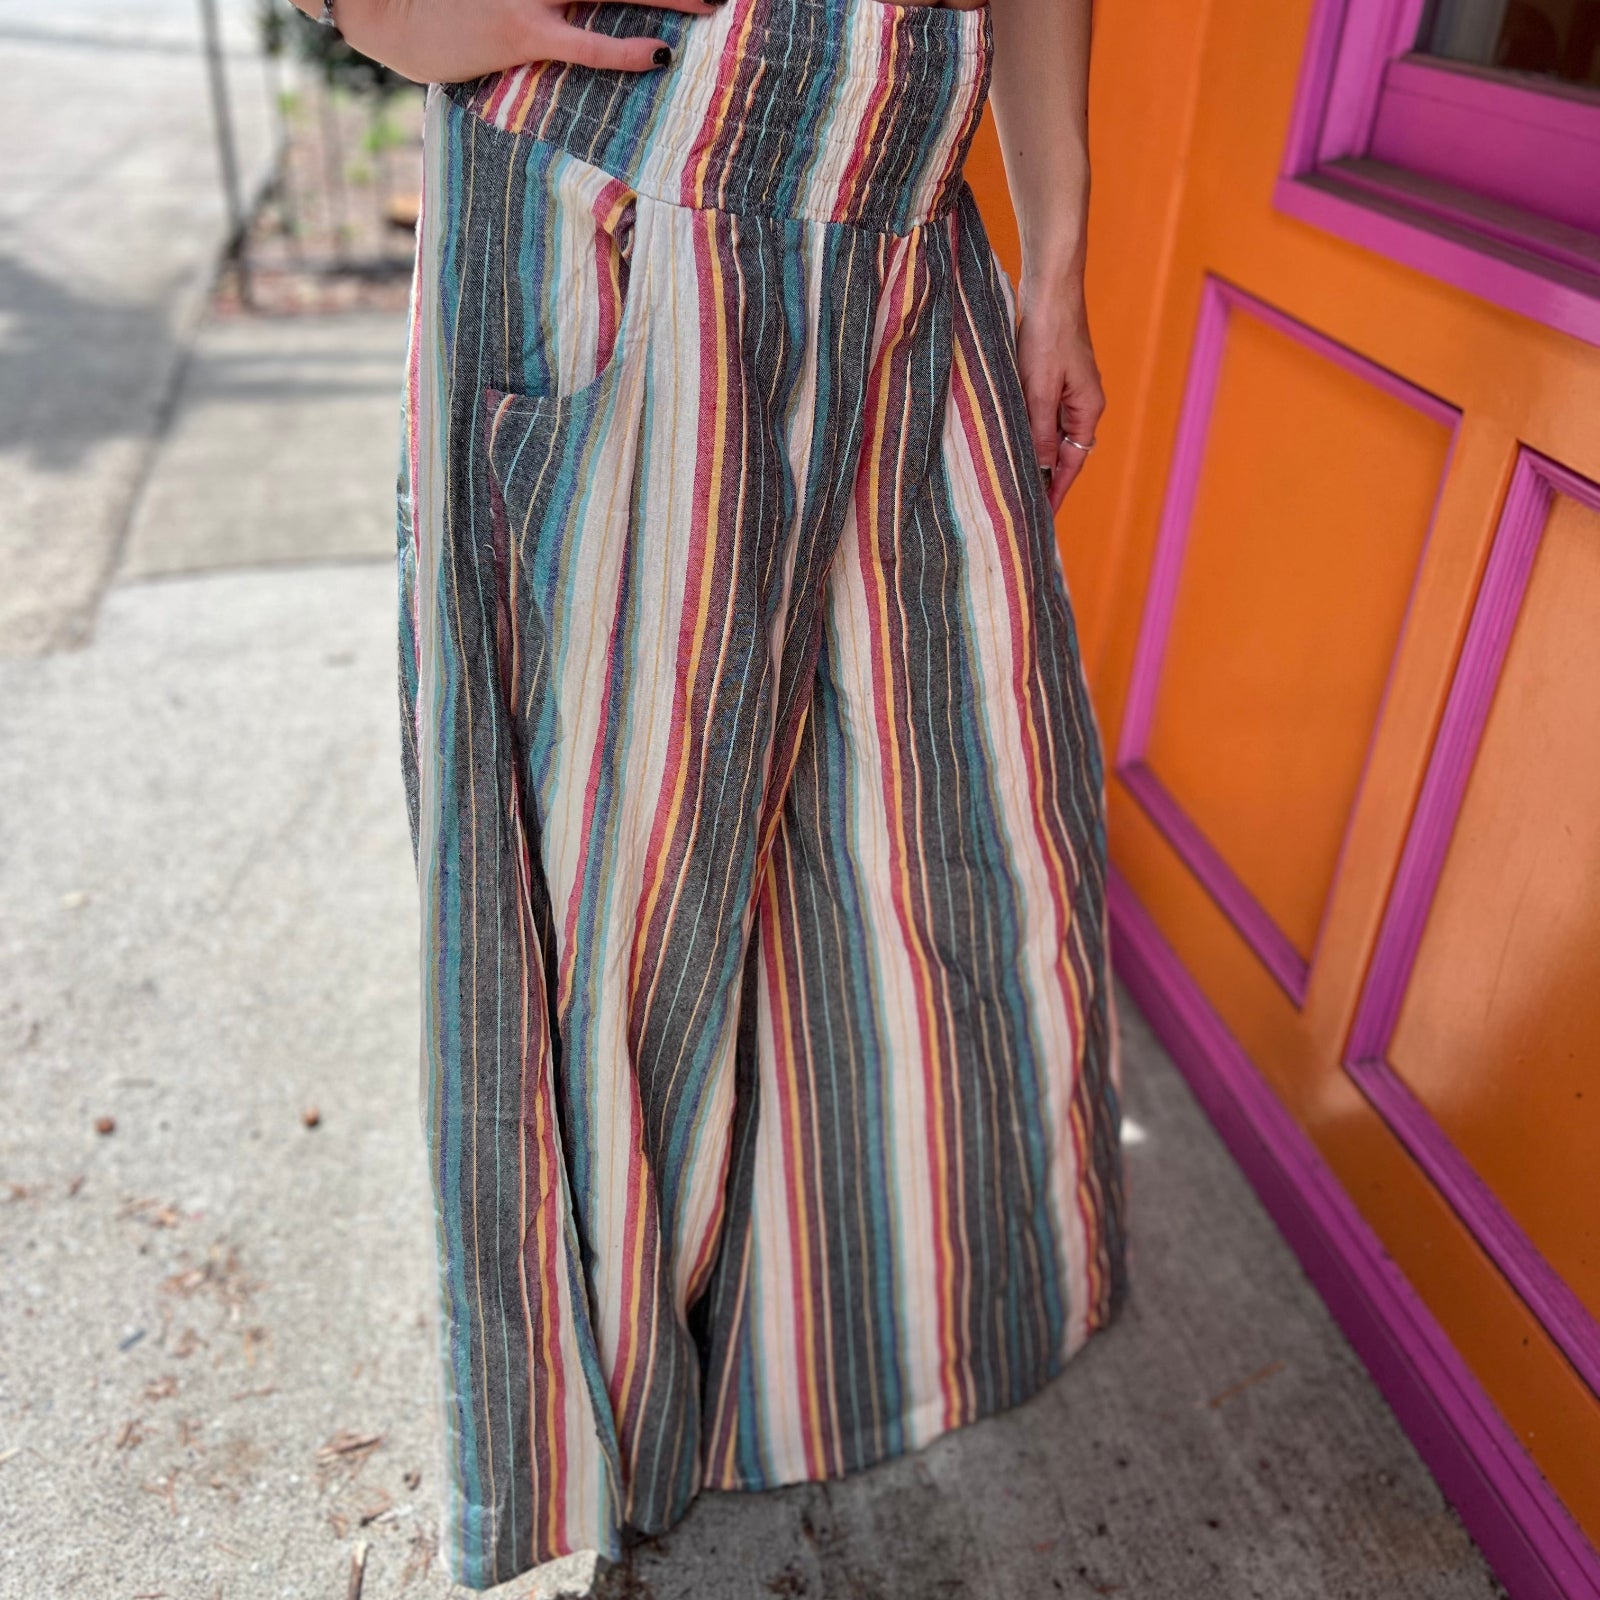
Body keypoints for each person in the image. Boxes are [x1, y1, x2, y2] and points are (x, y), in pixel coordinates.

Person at [291, 0, 1126, 1588]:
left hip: (912, 239)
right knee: (614, 884)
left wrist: (1059, 260)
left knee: (925, 808)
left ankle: (854, 1340)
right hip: (630, 196)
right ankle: (596, 1425)